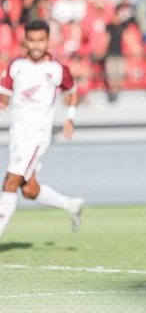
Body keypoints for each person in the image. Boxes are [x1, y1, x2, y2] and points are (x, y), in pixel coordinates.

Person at [0, 20, 84, 239]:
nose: (36, 45)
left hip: (37, 134)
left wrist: (70, 118)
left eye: (40, 40)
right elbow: (4, 97)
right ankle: (71, 205)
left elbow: (72, 90)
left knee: (9, 182)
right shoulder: (16, 66)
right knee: (28, 190)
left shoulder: (56, 69)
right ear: (25, 41)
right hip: (17, 132)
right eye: (32, 40)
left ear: (48, 41)